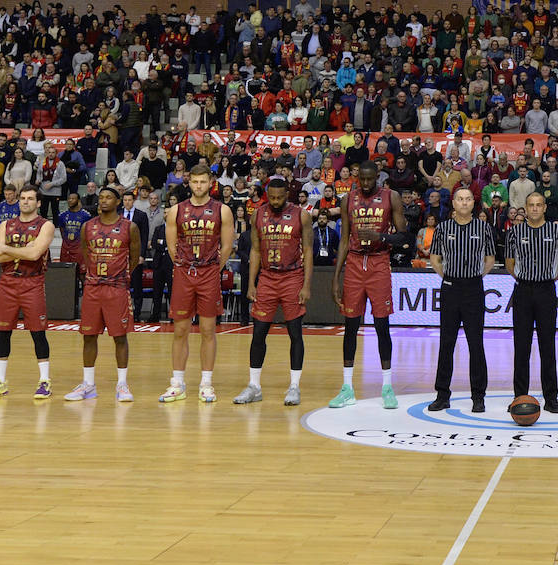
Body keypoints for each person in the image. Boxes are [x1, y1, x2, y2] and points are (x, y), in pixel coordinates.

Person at [330, 160, 408, 408]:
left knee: (381, 325)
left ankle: (387, 386)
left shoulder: (391, 197)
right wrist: (336, 277)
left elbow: (404, 235)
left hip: (378, 261)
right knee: (350, 326)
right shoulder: (348, 199)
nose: (365, 183)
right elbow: (344, 241)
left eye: (369, 179)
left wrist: (380, 236)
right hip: (354, 262)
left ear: (377, 177)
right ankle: (347, 387)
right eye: (360, 179)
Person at [234, 177, 315, 407]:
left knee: (295, 333)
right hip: (268, 278)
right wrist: (251, 283)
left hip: (292, 276)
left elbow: (308, 251)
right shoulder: (257, 214)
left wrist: (307, 285)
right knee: (258, 332)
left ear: (287, 195)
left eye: (280, 197)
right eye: (273, 197)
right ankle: (254, 386)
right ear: (267, 195)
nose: (276, 201)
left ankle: (294, 386)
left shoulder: (302, 215)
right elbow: (256, 251)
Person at [160, 166, 235, 404]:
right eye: (195, 182)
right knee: (180, 330)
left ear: (211, 182)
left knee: (207, 330)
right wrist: (185, 266)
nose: (199, 186)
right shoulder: (176, 211)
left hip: (209, 273)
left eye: (203, 181)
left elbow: (227, 247)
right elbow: (172, 248)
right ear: (188, 183)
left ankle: (206, 383)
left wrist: (213, 269)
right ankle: (177, 383)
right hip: (184, 273)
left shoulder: (222, 210)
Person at [64, 187, 141, 402]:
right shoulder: (88, 226)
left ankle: (122, 384)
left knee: (120, 336)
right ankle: (88, 384)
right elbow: (86, 255)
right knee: (89, 335)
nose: (103, 201)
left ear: (118, 202)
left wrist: (119, 275)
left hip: (116, 288)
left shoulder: (130, 227)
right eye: (101, 197)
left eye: (108, 197)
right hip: (93, 287)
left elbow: (134, 259)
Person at [0, 186, 56, 400]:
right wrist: (20, 252)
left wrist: (8, 249)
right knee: (2, 332)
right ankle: (0, 381)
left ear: (38, 203)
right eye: (23, 198)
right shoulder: (6, 224)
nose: (25, 202)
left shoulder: (46, 225)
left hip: (32, 282)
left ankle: (44, 381)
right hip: (8, 282)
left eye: (30, 199)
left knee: (37, 332)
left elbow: (34, 255)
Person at [505, 191, 558, 413]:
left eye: (538, 205)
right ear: (525, 208)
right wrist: (524, 278)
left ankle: (551, 398)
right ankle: (519, 396)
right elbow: (509, 262)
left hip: (546, 290)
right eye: (531, 205)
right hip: (523, 290)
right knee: (521, 347)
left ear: (545, 207)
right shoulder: (515, 232)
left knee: (547, 346)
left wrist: (551, 277)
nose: (535, 208)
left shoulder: (556, 231)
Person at [428, 187, 496, 413]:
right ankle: (442, 394)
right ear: (454, 203)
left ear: (472, 203)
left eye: (468, 199)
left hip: (473, 288)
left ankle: (478, 396)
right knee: (446, 343)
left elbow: (490, 259)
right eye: (460, 199)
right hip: (450, 288)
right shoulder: (443, 228)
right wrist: (449, 277)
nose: (464, 203)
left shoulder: (483, 227)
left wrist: (473, 277)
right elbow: (435, 258)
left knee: (475, 344)